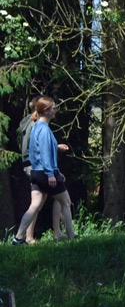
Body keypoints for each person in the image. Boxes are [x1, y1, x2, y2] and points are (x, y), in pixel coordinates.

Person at [12, 97, 74, 244]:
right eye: (53, 108)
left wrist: (53, 170)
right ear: (45, 111)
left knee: (34, 205)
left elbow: (37, 153)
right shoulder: (44, 130)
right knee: (66, 202)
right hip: (45, 173)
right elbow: (46, 154)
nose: (55, 110)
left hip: (36, 173)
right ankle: (72, 237)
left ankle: (18, 238)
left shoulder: (36, 128)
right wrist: (52, 173)